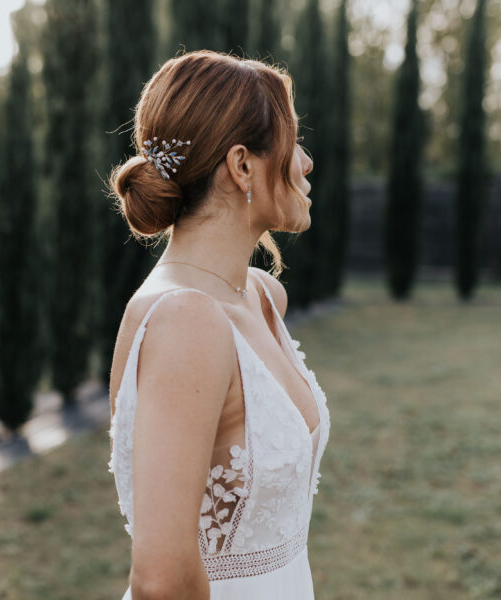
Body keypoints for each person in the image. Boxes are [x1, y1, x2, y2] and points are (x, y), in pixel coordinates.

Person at [107, 50, 330, 600]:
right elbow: (161, 582)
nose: (304, 162)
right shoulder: (185, 321)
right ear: (242, 165)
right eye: (292, 141)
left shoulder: (260, 297)